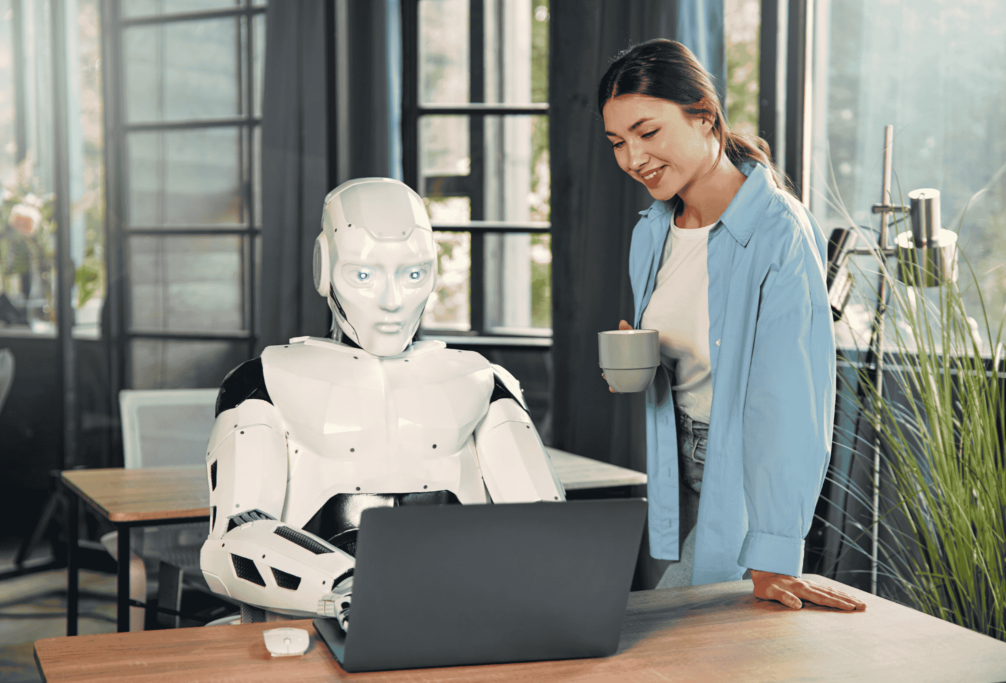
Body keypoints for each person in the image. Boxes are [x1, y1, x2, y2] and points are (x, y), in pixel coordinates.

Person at [200, 177, 565, 629]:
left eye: (412, 275)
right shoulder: (265, 381)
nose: (392, 301)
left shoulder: (483, 380)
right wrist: (349, 589)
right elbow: (235, 536)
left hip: (462, 617)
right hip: (315, 621)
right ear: (325, 267)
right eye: (364, 275)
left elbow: (548, 527)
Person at [598, 39, 864, 611]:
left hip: (742, 468)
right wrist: (637, 357)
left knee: (655, 635)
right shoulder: (652, 228)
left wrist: (772, 555)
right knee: (690, 644)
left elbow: (792, 399)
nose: (632, 157)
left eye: (648, 132)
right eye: (618, 142)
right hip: (679, 465)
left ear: (704, 116)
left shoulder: (778, 232)